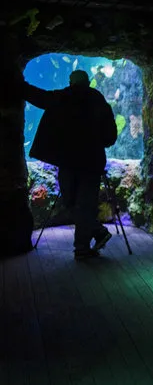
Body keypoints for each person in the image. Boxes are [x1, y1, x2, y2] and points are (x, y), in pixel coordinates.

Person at [20, 70, 117, 259]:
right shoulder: (99, 101)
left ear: (70, 82)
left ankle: (84, 245)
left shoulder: (63, 96)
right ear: (88, 83)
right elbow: (110, 137)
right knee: (85, 204)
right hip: (92, 162)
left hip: (68, 162)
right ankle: (94, 235)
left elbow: (40, 97)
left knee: (70, 202)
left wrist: (19, 85)